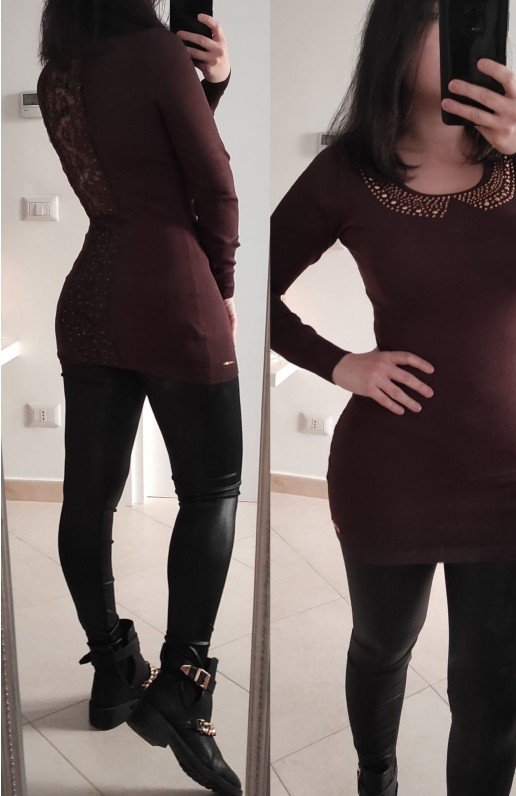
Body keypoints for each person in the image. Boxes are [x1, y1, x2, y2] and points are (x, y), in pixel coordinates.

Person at [269, 1, 516, 794]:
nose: (465, 31)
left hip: (513, 472)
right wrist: (339, 364)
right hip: (392, 470)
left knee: (494, 699)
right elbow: (242, 280)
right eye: (444, 14)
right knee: (383, 645)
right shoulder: (347, 171)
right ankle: (375, 776)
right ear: (399, 31)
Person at [37, 1, 243, 793]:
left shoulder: (59, 73)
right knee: (212, 489)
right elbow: (211, 185)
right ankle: (183, 690)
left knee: (87, 498)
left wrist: (209, 85)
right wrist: (222, 287)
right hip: (173, 292)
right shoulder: (155, 50)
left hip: (92, 294)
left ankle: (115, 670)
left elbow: (139, 164)